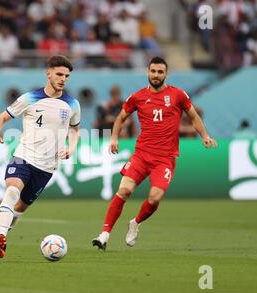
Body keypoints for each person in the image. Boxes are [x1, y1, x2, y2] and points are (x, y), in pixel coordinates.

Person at [92, 57, 217, 250]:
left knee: (154, 198)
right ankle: (104, 235)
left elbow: (193, 116)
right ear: (147, 72)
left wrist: (205, 136)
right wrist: (114, 138)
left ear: (166, 74)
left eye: (160, 72)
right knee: (124, 191)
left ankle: (135, 222)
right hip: (141, 155)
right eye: (153, 71)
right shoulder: (137, 97)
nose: (156, 75)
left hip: (165, 159)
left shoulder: (178, 95)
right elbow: (121, 117)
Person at [0, 55, 81, 260]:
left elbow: (75, 129)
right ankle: (2, 236)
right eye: (59, 74)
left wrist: (71, 147)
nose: (63, 79)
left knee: (18, 210)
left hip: (47, 167)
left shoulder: (72, 104)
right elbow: (1, 118)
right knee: (12, 190)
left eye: (66, 76)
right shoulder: (30, 98)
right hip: (23, 156)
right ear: (48, 73)